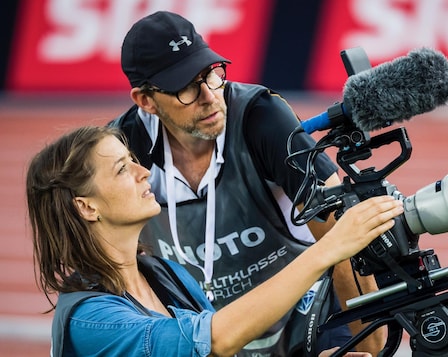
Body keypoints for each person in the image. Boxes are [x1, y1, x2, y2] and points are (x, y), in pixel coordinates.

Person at [109, 10, 385, 355]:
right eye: (186, 88)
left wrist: (373, 351)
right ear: (146, 101)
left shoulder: (263, 118)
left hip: (311, 319)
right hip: (219, 334)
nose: (210, 96)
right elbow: (113, 261)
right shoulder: (122, 151)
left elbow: (344, 239)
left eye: (211, 74)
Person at [26, 126, 404, 357]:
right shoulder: (93, 320)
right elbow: (217, 340)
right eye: (124, 169)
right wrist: (329, 248)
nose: (145, 173)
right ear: (86, 207)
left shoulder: (165, 274)